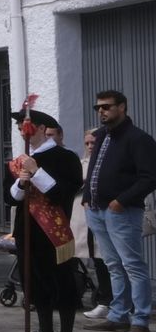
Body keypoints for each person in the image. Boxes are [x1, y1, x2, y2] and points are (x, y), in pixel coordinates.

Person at [4, 109, 85, 332]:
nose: (21, 131)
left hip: (53, 231)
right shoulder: (23, 159)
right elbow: (12, 199)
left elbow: (62, 194)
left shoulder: (65, 157)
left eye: (25, 126)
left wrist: (37, 173)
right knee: (33, 281)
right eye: (19, 127)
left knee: (60, 282)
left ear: (40, 129)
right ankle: (46, 331)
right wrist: (22, 180)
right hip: (27, 229)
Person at [82, 90, 156, 332]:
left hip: (122, 211)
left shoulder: (138, 139)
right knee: (113, 265)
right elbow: (94, 168)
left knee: (132, 265)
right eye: (98, 107)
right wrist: (86, 197)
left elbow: (150, 177)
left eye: (107, 107)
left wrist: (121, 200)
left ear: (122, 107)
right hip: (96, 209)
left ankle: (141, 320)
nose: (101, 111)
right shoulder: (101, 136)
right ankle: (118, 314)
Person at [75, 130, 113, 320]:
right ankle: (102, 299)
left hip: (106, 218)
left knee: (106, 261)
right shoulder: (80, 165)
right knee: (93, 261)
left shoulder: (108, 163)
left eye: (93, 143)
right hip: (84, 221)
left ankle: (109, 301)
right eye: (87, 143)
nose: (90, 147)